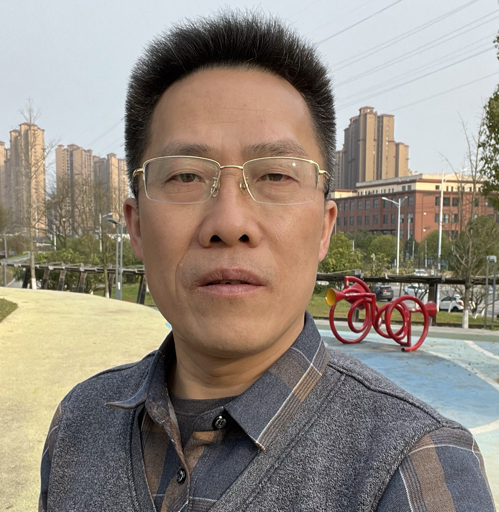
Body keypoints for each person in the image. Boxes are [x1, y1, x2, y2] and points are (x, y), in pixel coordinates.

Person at [39, 11, 495, 512]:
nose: (229, 222)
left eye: (275, 176)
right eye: (187, 176)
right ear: (138, 226)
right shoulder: (80, 424)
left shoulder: (415, 466)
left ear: (324, 227)